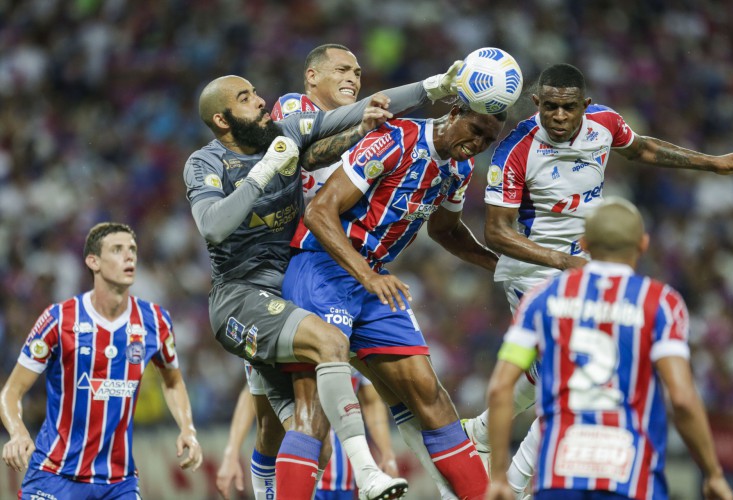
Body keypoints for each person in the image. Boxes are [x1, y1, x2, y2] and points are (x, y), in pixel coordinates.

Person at [461, 62, 733, 497]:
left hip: (578, 264)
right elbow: (497, 232)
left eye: (569, 108)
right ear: (537, 103)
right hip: (534, 268)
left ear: (586, 105)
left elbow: (643, 150)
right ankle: (513, 486)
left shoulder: (605, 123)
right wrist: (562, 263)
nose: (560, 117)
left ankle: (481, 432)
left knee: (549, 374)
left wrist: (714, 163)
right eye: (551, 107)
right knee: (568, 378)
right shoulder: (515, 149)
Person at [185, 66, 461, 499]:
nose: (260, 101)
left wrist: (434, 86)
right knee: (323, 354)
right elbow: (213, 227)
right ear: (222, 119)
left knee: (308, 434)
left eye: (256, 91)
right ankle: (367, 472)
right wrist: (264, 171)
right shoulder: (205, 163)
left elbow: (358, 110)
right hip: (240, 297)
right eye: (245, 98)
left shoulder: (286, 130)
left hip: (291, 291)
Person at [283, 103, 507, 500]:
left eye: (488, 140)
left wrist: (501, 266)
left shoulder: (458, 170)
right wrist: (367, 275)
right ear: (454, 112)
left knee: (430, 394)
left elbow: (447, 231)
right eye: (475, 130)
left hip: (372, 280)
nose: (477, 144)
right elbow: (319, 211)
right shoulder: (396, 139)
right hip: (322, 264)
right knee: (312, 414)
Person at [216, 44, 402, 500]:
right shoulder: (292, 110)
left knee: (308, 420)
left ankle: (357, 470)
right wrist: (363, 127)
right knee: (272, 418)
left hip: (318, 272)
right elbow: (309, 155)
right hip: (271, 275)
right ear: (311, 76)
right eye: (342, 69)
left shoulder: (366, 136)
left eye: (358, 72)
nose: (353, 78)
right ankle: (272, 488)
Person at [484, 197, 733, 500]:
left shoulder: (542, 298)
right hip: (632, 476)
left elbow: (500, 388)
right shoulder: (660, 303)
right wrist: (713, 473)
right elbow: (681, 398)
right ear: (643, 245)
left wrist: (498, 476)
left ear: (584, 244)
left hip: (559, 475)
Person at [0, 222, 203, 499]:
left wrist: (187, 428)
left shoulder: (155, 321)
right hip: (54, 475)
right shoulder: (59, 320)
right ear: (93, 261)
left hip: (118, 483)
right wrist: (18, 432)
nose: (129, 256)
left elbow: (173, 381)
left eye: (132, 249)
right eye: (117, 250)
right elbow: (11, 391)